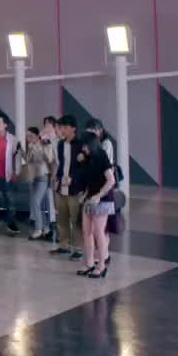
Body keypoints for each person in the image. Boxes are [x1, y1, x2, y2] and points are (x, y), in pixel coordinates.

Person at [75, 132, 116, 278]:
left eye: (85, 146)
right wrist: (85, 194)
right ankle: (89, 263)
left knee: (99, 232)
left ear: (92, 144)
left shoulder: (101, 156)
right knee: (87, 232)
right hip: (90, 198)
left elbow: (111, 180)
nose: (83, 149)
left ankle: (102, 266)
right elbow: (89, 180)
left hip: (102, 199)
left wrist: (98, 195)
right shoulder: (87, 159)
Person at [50, 115, 84, 260]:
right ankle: (64, 245)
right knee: (62, 218)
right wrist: (57, 178)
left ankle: (78, 249)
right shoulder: (60, 144)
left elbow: (83, 167)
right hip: (61, 187)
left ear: (73, 128)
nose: (62, 130)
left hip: (75, 188)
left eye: (64, 127)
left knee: (75, 220)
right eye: (61, 127)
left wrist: (72, 177)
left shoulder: (81, 144)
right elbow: (61, 164)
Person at [23, 127, 56, 240]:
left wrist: (39, 146)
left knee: (36, 202)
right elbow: (29, 161)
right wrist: (24, 151)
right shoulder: (30, 146)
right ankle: (46, 228)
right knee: (38, 204)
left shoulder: (45, 144)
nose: (28, 138)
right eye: (27, 136)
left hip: (43, 176)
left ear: (37, 136)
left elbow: (49, 159)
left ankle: (38, 229)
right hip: (34, 176)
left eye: (31, 136)